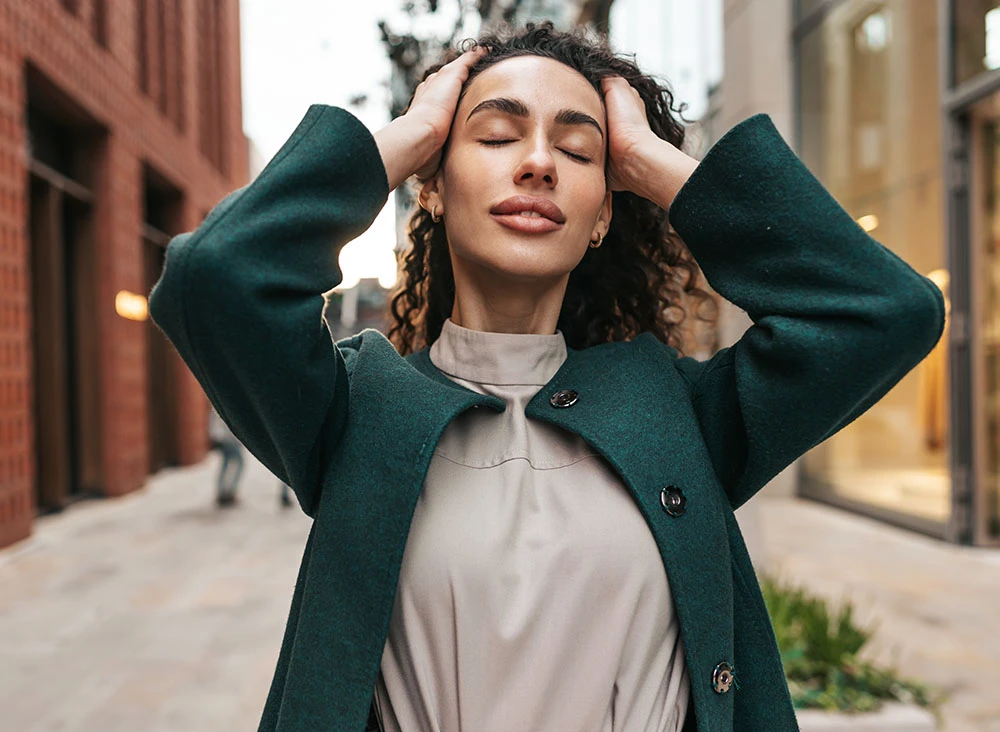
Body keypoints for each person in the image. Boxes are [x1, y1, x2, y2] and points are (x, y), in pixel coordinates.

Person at [149, 22, 944, 732]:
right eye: (494, 136)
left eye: (577, 150)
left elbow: (882, 312)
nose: (536, 163)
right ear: (432, 183)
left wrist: (654, 164)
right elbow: (214, 277)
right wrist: (409, 132)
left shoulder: (679, 416)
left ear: (605, 211)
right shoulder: (354, 411)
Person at [208, 405, 244, 507]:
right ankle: (229, 492)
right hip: (227, 439)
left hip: (224, 438)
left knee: (226, 464)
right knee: (240, 463)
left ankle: (222, 492)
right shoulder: (223, 404)